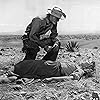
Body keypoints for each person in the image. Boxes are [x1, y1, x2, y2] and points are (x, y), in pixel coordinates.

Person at [0, 60, 84, 83]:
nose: (88, 62)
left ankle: (8, 75)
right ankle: (11, 73)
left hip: (55, 70)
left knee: (33, 67)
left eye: (90, 63)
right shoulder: (76, 64)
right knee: (30, 63)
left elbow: (71, 78)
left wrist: (52, 79)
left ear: (89, 68)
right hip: (54, 65)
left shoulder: (80, 70)